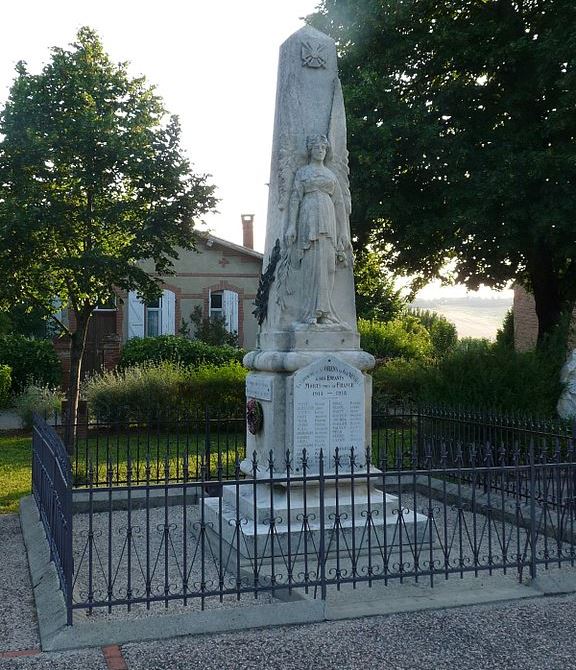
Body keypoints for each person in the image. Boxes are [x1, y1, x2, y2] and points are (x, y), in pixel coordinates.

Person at [285, 134, 351, 326]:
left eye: (323, 148)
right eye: (317, 148)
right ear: (310, 150)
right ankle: (310, 313)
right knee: (312, 265)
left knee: (329, 266)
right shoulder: (303, 173)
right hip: (309, 217)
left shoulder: (331, 175)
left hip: (328, 219)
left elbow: (339, 203)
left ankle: (327, 311)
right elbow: (295, 198)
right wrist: (291, 226)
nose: (321, 151)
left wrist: (344, 232)